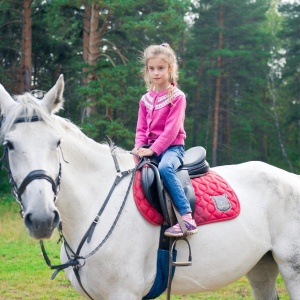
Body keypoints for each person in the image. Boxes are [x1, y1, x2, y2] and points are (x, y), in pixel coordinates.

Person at [132, 43, 198, 237]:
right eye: (151, 69)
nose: (156, 73)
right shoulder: (145, 99)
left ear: (170, 69)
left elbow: (171, 131)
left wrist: (153, 150)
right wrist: (138, 148)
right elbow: (141, 129)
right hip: (148, 147)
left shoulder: (177, 97)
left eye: (160, 68)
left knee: (164, 168)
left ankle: (186, 217)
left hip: (172, 148)